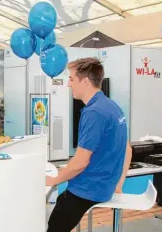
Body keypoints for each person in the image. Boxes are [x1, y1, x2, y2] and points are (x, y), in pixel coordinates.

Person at [45, 58, 132, 232]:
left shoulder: (94, 113)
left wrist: (54, 180)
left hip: (89, 190)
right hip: (104, 186)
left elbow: (80, 163)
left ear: (84, 81)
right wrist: (118, 184)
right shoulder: (112, 106)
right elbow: (128, 149)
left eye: (71, 79)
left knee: (54, 223)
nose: (69, 84)